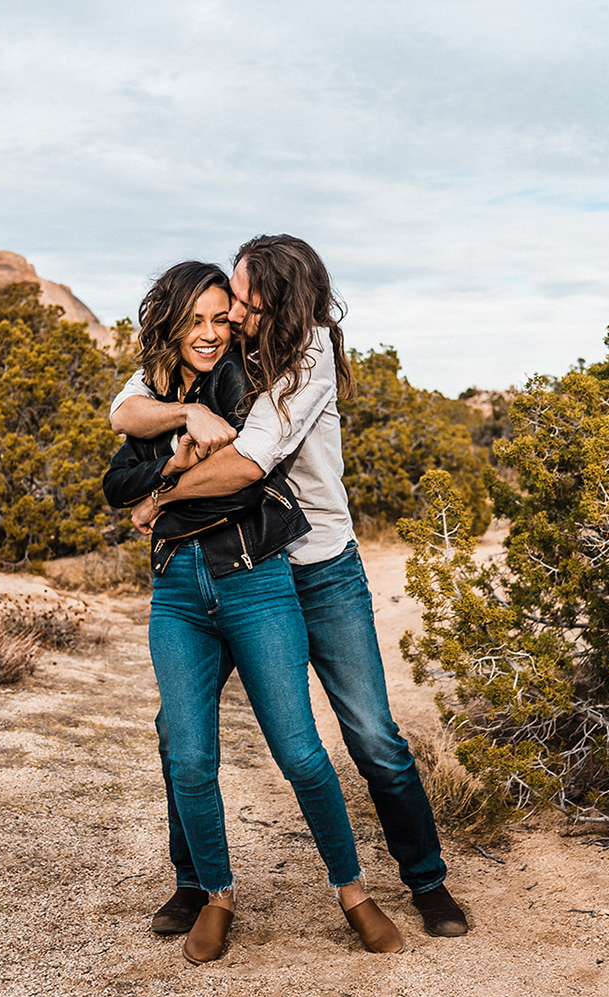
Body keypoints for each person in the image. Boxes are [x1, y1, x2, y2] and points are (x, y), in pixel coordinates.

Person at [111, 236, 471, 940]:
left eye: (245, 300)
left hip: (321, 568)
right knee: (176, 736)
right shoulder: (223, 347)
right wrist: (182, 415)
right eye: (231, 299)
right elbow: (127, 406)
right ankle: (194, 884)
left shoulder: (309, 356)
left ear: (280, 301)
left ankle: (425, 879)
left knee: (371, 735)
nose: (233, 313)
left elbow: (248, 466)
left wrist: (156, 498)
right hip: (240, 570)